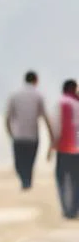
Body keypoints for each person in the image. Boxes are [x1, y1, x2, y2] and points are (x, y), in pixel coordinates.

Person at [6, 70, 55, 190]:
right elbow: (45, 117)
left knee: (19, 163)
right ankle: (26, 182)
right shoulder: (39, 95)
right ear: (36, 80)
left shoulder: (14, 95)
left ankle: (25, 182)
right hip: (33, 136)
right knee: (29, 162)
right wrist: (51, 136)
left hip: (18, 136)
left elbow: (7, 118)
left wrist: (10, 134)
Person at [52, 78, 79, 219]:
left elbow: (56, 126)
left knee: (62, 179)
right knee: (76, 180)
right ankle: (74, 209)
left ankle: (66, 209)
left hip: (64, 148)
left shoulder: (61, 103)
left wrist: (52, 145)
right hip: (77, 149)